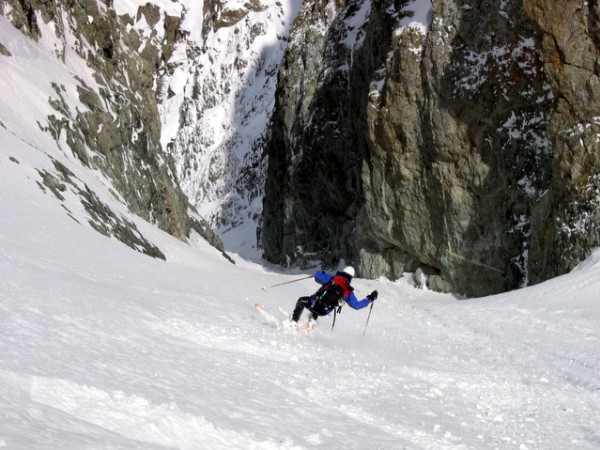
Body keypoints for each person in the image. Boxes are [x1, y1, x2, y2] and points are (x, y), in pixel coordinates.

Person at [291, 266, 378, 328]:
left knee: (301, 301)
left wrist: (322, 272)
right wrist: (370, 298)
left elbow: (317, 275)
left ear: (343, 272)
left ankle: (294, 322)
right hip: (325, 311)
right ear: (351, 278)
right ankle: (311, 323)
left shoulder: (332, 278)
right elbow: (356, 305)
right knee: (317, 310)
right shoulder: (347, 290)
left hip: (315, 304)